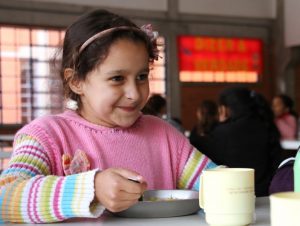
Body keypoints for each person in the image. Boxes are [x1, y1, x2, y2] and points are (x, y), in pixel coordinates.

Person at [0, 9, 217, 223]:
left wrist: (230, 181)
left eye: (142, 76)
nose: (134, 93)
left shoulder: (164, 135)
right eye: (117, 78)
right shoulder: (47, 136)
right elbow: (5, 198)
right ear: (76, 81)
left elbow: (213, 182)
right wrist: (91, 189)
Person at [198, 86, 283, 197]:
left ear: (224, 109)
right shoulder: (267, 126)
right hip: (265, 195)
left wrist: (221, 125)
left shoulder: (222, 132)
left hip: (232, 197)